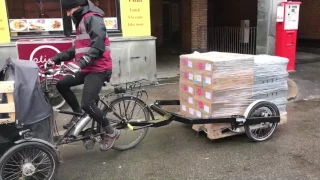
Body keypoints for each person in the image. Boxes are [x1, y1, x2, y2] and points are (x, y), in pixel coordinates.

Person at [48, 0, 120, 151]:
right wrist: (55, 59)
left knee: (87, 103)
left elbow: (98, 45)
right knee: (62, 84)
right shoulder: (82, 21)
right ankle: (78, 114)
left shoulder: (93, 18)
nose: (67, 14)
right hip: (87, 68)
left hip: (99, 69)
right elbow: (76, 49)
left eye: (69, 10)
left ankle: (111, 132)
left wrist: (81, 62)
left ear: (79, 6)